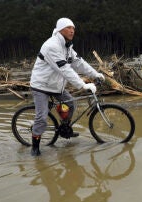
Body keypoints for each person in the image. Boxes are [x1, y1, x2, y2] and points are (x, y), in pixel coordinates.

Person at [29, 17, 105, 156]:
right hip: (41, 86)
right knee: (41, 118)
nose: (72, 30)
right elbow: (64, 69)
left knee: (71, 104)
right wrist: (83, 85)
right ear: (59, 29)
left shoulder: (67, 46)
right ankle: (35, 147)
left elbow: (78, 63)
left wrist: (96, 75)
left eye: (74, 28)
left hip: (56, 86)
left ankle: (64, 128)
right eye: (69, 28)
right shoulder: (51, 46)